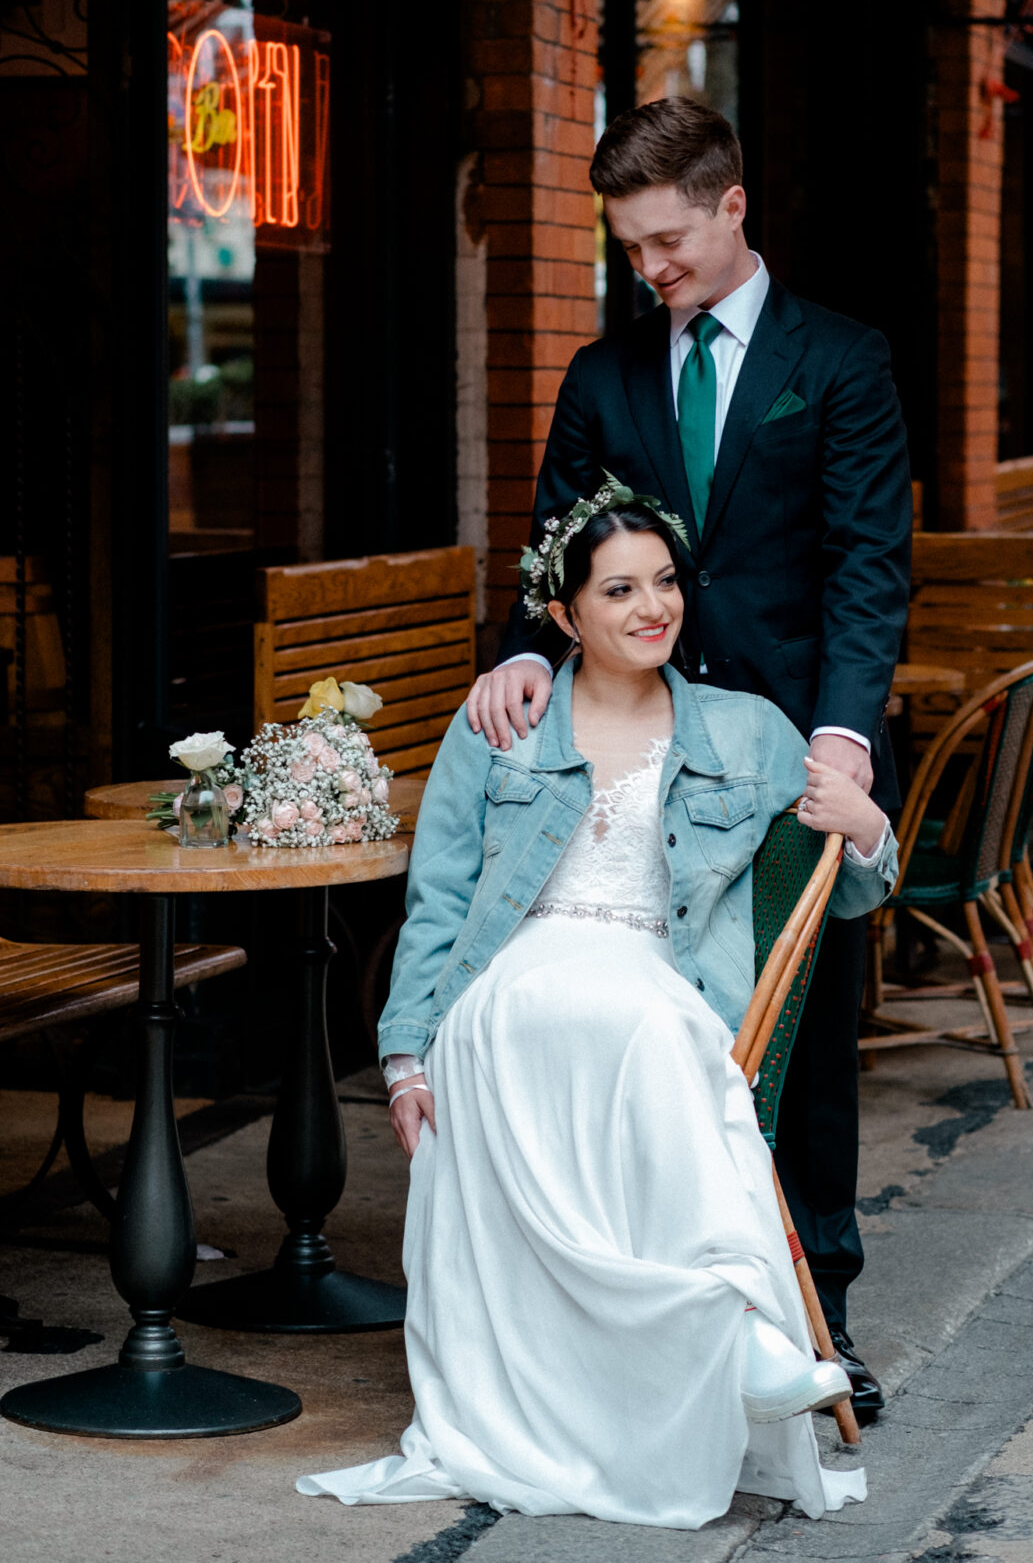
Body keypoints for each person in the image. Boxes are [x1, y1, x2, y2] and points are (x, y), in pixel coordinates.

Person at [298, 490, 898, 1529]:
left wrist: (869, 828)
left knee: (657, 1029)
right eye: (618, 589)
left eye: (664, 582)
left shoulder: (746, 731)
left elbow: (837, 888)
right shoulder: (504, 724)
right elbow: (437, 897)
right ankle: (743, 1335)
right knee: (617, 1028)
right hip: (513, 983)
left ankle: (732, 1333)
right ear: (566, 616)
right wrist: (405, 1056)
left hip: (656, 981)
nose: (650, 606)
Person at [466, 97, 912, 1417]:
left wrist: (843, 738)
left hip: (783, 756)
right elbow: (556, 534)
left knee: (798, 1034)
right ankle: (649, 1319)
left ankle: (817, 1311)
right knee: (640, 1032)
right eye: (630, 248)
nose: (648, 269)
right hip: (627, 746)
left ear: (731, 207)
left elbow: (866, 568)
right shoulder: (604, 376)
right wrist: (524, 646)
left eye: (665, 240)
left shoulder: (841, 359)